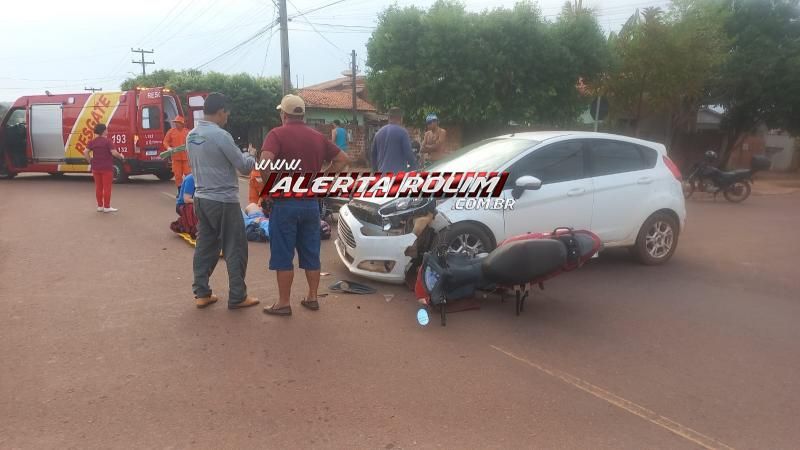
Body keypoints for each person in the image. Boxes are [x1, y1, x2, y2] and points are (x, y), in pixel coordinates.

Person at [258, 94, 349, 316]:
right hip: (310, 204)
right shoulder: (317, 137)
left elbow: (265, 163)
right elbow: (343, 159)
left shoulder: (276, 134)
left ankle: (283, 303)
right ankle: (312, 297)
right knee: (311, 252)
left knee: (283, 254)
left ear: (284, 114)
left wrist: (273, 185)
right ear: (303, 114)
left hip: (286, 203)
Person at [187, 93, 260, 310]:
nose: (227, 117)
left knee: (205, 247)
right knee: (235, 247)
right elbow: (244, 166)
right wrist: (252, 154)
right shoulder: (221, 136)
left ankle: (201, 293)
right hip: (223, 201)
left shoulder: (191, 135)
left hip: (201, 199)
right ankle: (238, 296)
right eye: (226, 113)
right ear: (220, 112)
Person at [83, 123, 124, 213]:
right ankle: (107, 207)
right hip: (106, 168)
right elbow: (114, 153)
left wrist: (90, 161)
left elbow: (85, 152)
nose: (107, 131)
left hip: (96, 168)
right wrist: (121, 156)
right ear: (103, 131)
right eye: (106, 129)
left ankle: (100, 206)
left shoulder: (92, 142)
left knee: (98, 187)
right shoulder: (107, 141)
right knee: (107, 188)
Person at [371, 107, 418, 173]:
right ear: (400, 118)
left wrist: (376, 172)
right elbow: (409, 154)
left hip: (382, 176)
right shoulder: (403, 132)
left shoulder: (378, 133)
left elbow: (373, 156)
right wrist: (414, 168)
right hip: (397, 176)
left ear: (389, 118)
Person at [163, 115, 191, 191]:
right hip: (176, 158)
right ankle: (180, 192)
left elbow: (192, 142)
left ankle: (189, 191)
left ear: (182, 123)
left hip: (186, 158)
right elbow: (165, 141)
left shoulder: (188, 132)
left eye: (178, 122)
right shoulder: (171, 132)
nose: (176, 124)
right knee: (178, 175)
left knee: (188, 175)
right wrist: (168, 148)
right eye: (175, 122)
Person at [170, 172, 198, 238]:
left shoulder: (207, 179)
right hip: (183, 205)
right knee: (194, 207)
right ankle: (192, 228)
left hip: (198, 203)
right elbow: (187, 199)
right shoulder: (191, 179)